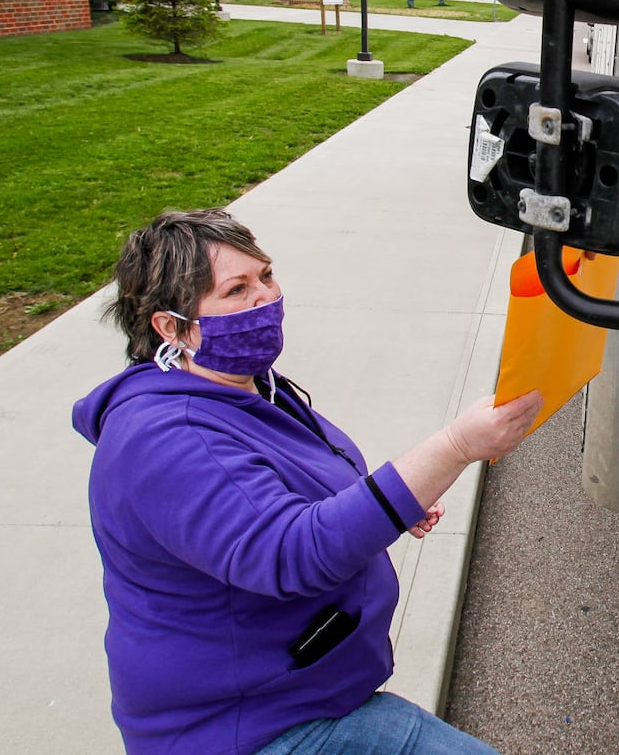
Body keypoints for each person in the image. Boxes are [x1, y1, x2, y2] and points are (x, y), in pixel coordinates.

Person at [72, 208, 544, 755]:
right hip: (244, 729)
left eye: (266, 276)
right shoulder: (168, 439)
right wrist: (460, 446)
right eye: (236, 290)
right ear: (172, 327)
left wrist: (389, 503)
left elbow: (279, 491)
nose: (265, 298)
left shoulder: (244, 386)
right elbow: (291, 551)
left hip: (295, 694)